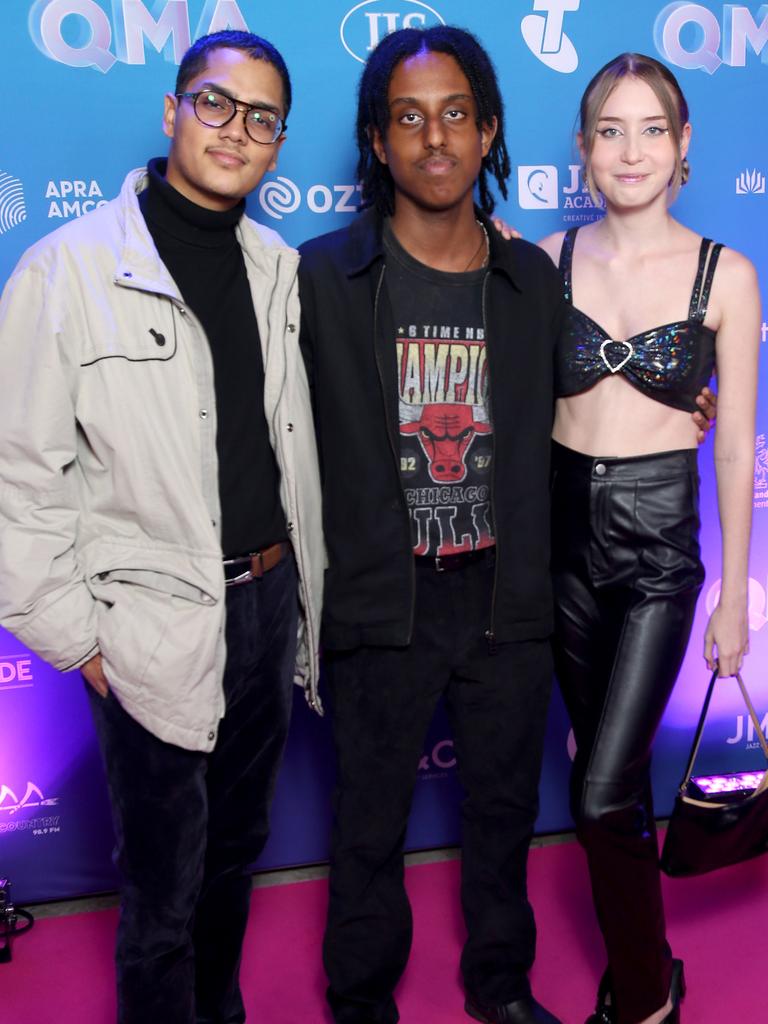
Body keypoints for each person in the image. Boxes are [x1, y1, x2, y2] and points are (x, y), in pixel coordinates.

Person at [0, 30, 323, 1024]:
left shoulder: (277, 268)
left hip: (268, 603)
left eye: (261, 118)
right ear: (173, 109)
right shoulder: (67, 271)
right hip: (147, 621)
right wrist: (82, 639)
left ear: (278, 143)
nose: (236, 130)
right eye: (216, 103)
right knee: (161, 883)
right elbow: (18, 471)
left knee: (234, 854)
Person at [299, 26, 565, 1024]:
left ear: (489, 129)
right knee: (368, 822)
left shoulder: (532, 279)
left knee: (503, 814)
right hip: (382, 593)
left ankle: (502, 987)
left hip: (506, 594)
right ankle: (361, 999)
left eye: (456, 113)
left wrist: (692, 400)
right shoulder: (323, 279)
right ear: (376, 141)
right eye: (408, 118)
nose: (435, 137)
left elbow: (580, 407)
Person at [537, 53, 760, 1024]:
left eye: (653, 129)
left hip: (660, 551)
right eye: (612, 131)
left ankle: (643, 999)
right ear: (584, 150)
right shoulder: (544, 259)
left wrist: (735, 594)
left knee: (595, 797)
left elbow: (739, 446)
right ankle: (648, 969)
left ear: (684, 146)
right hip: (560, 543)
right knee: (610, 785)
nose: (633, 151)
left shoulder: (728, 273)